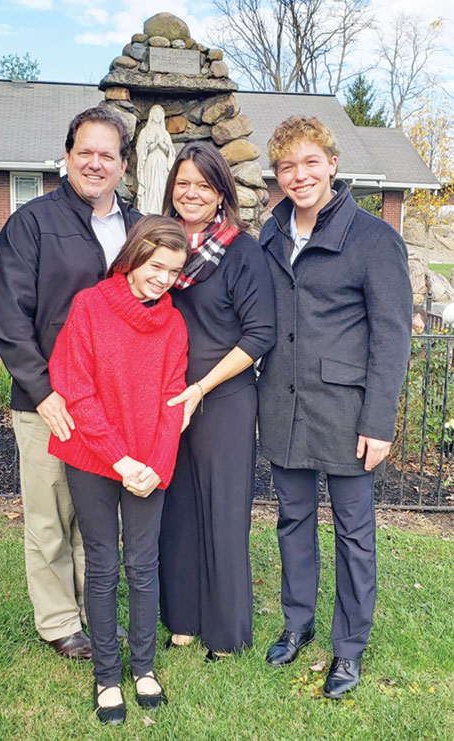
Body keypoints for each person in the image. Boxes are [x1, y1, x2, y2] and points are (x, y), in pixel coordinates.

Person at [257, 116, 412, 698]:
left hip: (348, 416)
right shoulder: (270, 234)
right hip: (283, 406)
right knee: (292, 521)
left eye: (309, 163)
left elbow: (391, 337)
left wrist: (379, 422)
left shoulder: (374, 239)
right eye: (287, 167)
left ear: (332, 164)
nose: (299, 176)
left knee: (353, 533)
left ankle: (348, 649)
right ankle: (298, 624)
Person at [0, 107, 141, 659]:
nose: (95, 164)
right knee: (51, 516)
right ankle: (58, 621)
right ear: (67, 157)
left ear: (123, 164)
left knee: (95, 517)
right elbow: (9, 320)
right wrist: (43, 390)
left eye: (107, 154)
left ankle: (93, 608)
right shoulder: (30, 224)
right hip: (49, 402)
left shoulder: (137, 226)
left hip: (110, 403)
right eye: (86, 153)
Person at [48, 215, 189, 724]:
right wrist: (119, 457)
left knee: (143, 565)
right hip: (92, 454)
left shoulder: (173, 323)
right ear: (133, 257)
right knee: (104, 564)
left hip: (148, 464)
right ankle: (108, 675)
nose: (164, 278)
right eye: (156, 266)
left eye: (174, 271)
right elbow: (75, 390)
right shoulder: (89, 306)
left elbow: (175, 400)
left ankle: (144, 666)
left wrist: (154, 464)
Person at [158, 142, 276, 659]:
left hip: (222, 398)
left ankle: (226, 631)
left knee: (224, 511)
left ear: (221, 192)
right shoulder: (159, 247)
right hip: (166, 399)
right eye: (183, 183)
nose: (191, 193)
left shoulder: (241, 252)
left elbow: (259, 334)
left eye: (203, 185)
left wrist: (200, 389)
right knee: (176, 508)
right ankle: (182, 616)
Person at [136, 105, 175, 215]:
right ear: (151, 115)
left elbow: (171, 150)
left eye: (159, 114)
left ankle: (161, 210)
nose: (157, 116)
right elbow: (139, 148)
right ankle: (148, 210)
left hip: (162, 164)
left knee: (161, 186)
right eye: (155, 114)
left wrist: (163, 146)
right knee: (151, 187)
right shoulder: (145, 132)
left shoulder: (165, 133)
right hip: (150, 163)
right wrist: (150, 148)